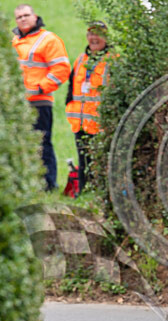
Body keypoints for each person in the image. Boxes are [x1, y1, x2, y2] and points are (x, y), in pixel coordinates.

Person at [12, 4, 71, 191]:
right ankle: (27, 184)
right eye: (19, 16)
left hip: (39, 101)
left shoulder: (48, 39)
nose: (23, 19)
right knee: (21, 145)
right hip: (17, 103)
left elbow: (61, 69)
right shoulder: (14, 42)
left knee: (42, 143)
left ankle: (48, 184)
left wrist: (40, 88)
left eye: (26, 15)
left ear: (35, 16)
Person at [65, 21, 114, 193]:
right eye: (91, 34)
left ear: (106, 37)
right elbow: (71, 88)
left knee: (101, 160)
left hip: (101, 123)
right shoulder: (80, 59)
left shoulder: (114, 61)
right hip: (80, 121)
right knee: (83, 158)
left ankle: (101, 193)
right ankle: (83, 191)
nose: (94, 38)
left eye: (98, 34)